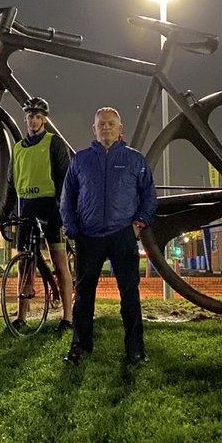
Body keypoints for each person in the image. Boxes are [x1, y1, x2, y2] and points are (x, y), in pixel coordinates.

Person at [60, 107, 156, 366]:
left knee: (130, 294)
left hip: (122, 234)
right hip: (88, 236)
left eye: (111, 124)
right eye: (101, 124)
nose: (106, 128)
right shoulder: (80, 160)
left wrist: (138, 225)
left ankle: (135, 350)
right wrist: (72, 229)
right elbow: (67, 197)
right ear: (94, 129)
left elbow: (148, 195)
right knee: (83, 295)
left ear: (120, 129)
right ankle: (80, 346)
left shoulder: (135, 160)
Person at [2, 96, 74, 333]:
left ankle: (67, 316)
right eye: (30, 117)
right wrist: (5, 211)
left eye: (38, 117)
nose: (33, 121)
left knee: (59, 262)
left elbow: (64, 178)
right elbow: (12, 184)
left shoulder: (54, 143)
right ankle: (22, 315)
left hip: (49, 207)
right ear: (26, 119)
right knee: (24, 265)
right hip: (26, 208)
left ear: (44, 119)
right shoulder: (18, 148)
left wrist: (64, 208)